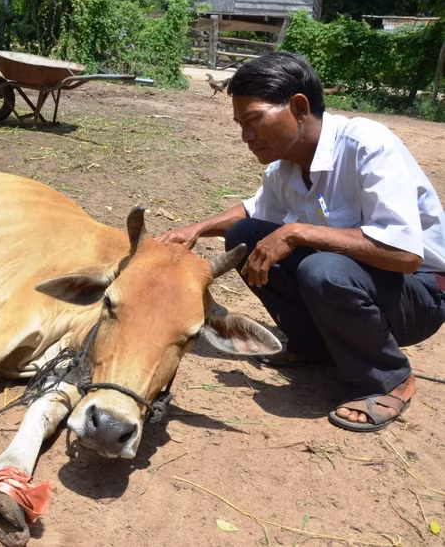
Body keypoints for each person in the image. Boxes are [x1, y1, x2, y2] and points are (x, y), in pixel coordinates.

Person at [157, 51, 445, 433]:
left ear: (297, 107)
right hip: (359, 283)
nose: (246, 136)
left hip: (420, 294)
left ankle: (389, 378)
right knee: (244, 237)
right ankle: (313, 346)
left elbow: (407, 254)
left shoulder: (367, 145)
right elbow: (253, 212)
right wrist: (196, 229)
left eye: (254, 120)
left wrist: (298, 232)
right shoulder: (285, 167)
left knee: (322, 268)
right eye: (240, 124)